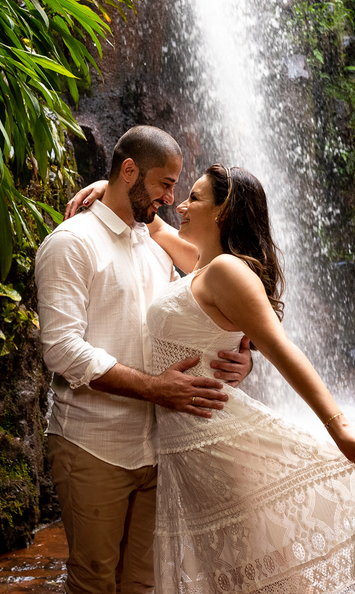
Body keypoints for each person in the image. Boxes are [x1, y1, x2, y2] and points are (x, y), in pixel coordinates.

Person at [72, 164, 355, 594]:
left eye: (194, 198)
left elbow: (282, 348)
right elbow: (153, 227)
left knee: (260, 571)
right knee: (229, 572)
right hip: (186, 449)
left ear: (223, 210)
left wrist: (340, 429)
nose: (182, 206)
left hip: (217, 440)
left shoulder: (226, 270)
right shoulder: (202, 265)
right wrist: (115, 189)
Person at [35, 126, 254, 594]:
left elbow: (209, 307)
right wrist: (154, 388)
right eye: (165, 183)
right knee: (93, 580)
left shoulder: (154, 244)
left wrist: (243, 357)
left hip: (158, 446)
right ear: (129, 171)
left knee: (143, 582)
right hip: (93, 442)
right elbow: (61, 349)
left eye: (177, 187)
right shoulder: (71, 243)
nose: (171, 198)